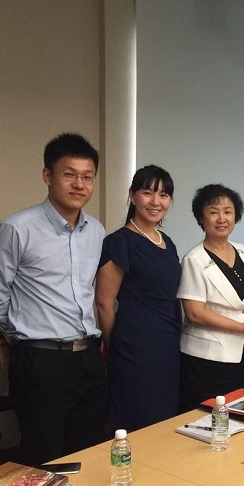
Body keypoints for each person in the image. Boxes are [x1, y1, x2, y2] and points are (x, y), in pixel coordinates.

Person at [0, 133, 107, 465]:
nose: (79, 184)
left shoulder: (96, 232)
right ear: (47, 176)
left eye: (87, 176)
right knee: (44, 459)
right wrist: (25, 337)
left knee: (89, 454)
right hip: (41, 361)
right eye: (69, 174)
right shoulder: (17, 228)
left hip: (89, 357)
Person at [95, 165, 182, 430]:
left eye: (163, 195)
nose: (156, 202)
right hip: (134, 347)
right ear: (132, 196)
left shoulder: (167, 242)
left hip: (167, 344)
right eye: (147, 193)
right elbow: (104, 303)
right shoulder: (119, 241)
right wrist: (118, 347)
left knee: (164, 418)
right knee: (137, 420)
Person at [177, 184, 244, 410]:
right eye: (213, 212)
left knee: (241, 410)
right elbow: (194, 313)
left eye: (228, 212)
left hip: (243, 352)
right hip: (208, 358)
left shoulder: (242, 250)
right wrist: (242, 327)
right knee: (207, 416)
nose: (222, 218)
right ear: (201, 218)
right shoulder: (194, 259)